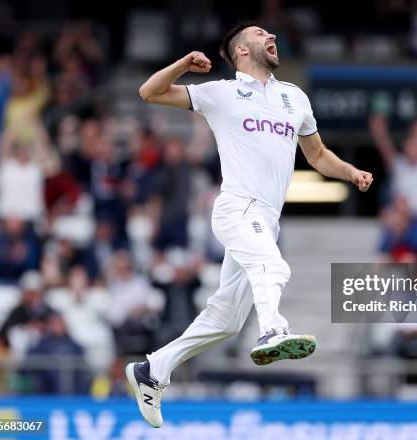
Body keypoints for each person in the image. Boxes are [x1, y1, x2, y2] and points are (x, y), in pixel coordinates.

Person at [126, 20, 373, 427]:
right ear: (241, 50)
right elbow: (148, 92)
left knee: (225, 322)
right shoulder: (222, 93)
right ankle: (273, 331)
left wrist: (352, 173)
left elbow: (317, 155)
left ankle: (152, 370)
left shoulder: (295, 99)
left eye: (270, 35)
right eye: (260, 35)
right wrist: (183, 64)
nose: (271, 37)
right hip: (238, 208)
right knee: (274, 267)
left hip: (266, 220)